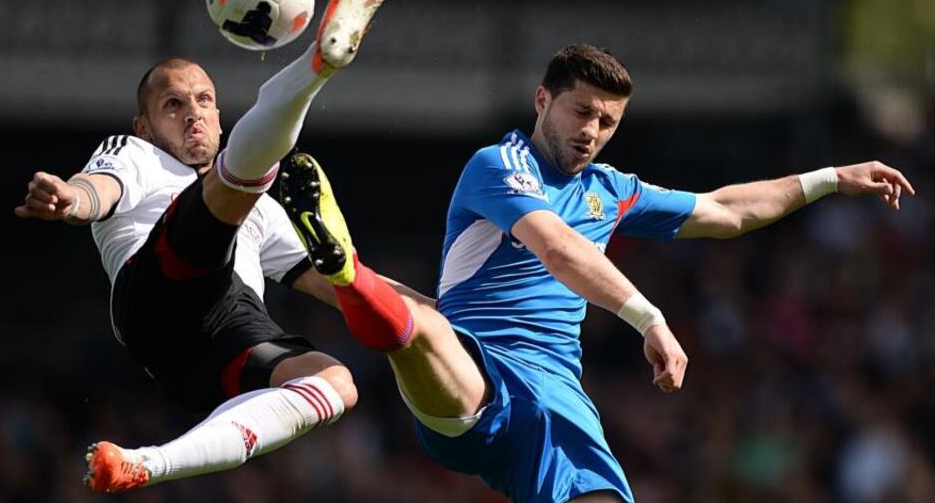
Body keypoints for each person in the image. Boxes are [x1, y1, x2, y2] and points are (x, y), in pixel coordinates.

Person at [277, 43, 916, 503]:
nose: (593, 132)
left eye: (608, 122)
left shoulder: (613, 190)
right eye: (581, 112)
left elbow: (726, 210)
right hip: (480, 372)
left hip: (556, 398)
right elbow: (558, 249)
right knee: (427, 332)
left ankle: (332, 270)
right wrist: (648, 318)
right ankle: (341, 267)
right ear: (542, 99)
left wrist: (831, 178)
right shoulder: (499, 165)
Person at [14, 0, 400, 493]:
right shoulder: (137, 154)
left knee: (337, 381)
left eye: (203, 100)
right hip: (158, 293)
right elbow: (98, 190)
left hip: (212, 349)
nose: (193, 111)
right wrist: (70, 200)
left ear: (220, 117)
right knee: (235, 183)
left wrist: (434, 317)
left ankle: (147, 464)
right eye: (173, 104)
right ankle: (319, 63)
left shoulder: (258, 212)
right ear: (144, 126)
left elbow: (340, 284)